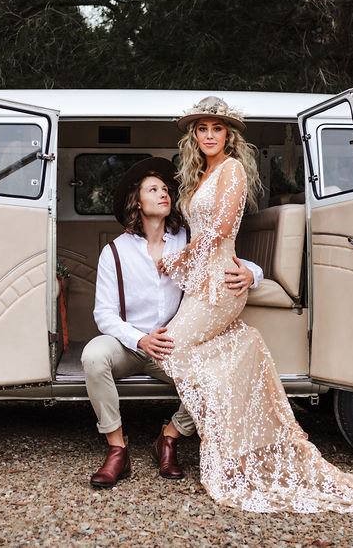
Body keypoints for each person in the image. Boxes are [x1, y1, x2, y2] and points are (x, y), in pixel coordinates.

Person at [157, 96, 353, 513]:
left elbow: (220, 233)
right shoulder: (197, 174)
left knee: (173, 347)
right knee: (187, 352)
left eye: (217, 129)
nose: (209, 135)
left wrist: (177, 259)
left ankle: (185, 434)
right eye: (203, 128)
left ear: (229, 135)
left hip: (222, 283)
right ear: (195, 134)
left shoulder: (231, 170)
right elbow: (200, 232)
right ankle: (219, 433)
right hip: (200, 283)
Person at [82, 157, 263, 489]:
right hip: (130, 344)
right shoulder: (115, 251)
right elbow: (103, 314)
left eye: (166, 189)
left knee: (214, 374)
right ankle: (117, 450)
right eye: (154, 190)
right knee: (93, 356)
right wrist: (139, 339)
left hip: (172, 346)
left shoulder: (184, 241)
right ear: (137, 202)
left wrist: (254, 274)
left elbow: (222, 254)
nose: (164, 194)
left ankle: (168, 439)